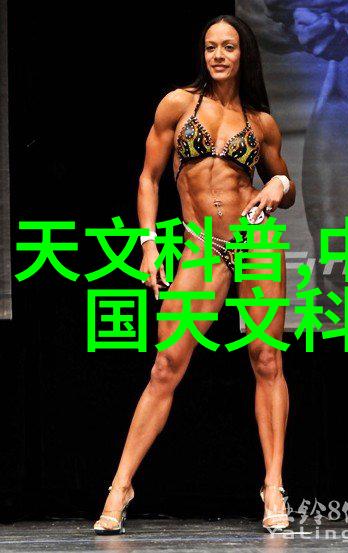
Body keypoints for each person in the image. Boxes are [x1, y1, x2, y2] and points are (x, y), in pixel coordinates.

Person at [93, 14, 296, 535]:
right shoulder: (178, 105)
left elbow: (283, 182)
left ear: (243, 54)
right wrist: (148, 245)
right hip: (202, 247)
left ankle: (273, 485)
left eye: (228, 47)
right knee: (167, 365)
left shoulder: (261, 122)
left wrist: (277, 188)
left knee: (267, 359)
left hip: (255, 241)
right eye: (211, 47)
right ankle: (120, 486)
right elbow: (148, 178)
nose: (219, 55)